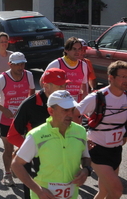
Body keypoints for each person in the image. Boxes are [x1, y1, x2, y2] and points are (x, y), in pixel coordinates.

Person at [11, 90, 91, 199]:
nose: (70, 114)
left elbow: (86, 156)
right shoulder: (37, 135)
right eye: (65, 110)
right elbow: (16, 164)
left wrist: (86, 169)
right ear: (51, 111)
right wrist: (38, 190)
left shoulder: (80, 131)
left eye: (72, 110)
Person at [7, 68, 70, 199]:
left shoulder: (67, 102)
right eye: (60, 86)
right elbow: (12, 135)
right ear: (46, 86)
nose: (64, 89)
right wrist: (33, 150)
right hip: (36, 162)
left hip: (61, 160)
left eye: (65, 85)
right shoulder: (29, 105)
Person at [77, 60, 127, 199]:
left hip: (116, 150)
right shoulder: (96, 97)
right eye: (123, 76)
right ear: (111, 78)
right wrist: (82, 140)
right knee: (116, 191)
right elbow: (73, 115)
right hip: (97, 149)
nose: (126, 80)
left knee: (104, 191)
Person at [0, 52, 35, 186]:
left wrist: (29, 110)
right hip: (5, 118)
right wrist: (4, 110)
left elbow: (32, 94)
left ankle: (15, 164)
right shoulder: (2, 78)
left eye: (22, 64)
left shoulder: (29, 75)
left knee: (25, 146)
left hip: (23, 118)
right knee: (8, 148)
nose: (21, 67)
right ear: (10, 65)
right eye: (17, 64)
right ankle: (7, 174)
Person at [42, 37, 88, 103]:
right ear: (66, 50)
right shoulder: (57, 63)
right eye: (74, 49)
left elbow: (84, 85)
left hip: (74, 103)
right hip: (59, 103)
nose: (77, 52)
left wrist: (84, 99)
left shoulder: (83, 65)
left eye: (79, 49)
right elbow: (42, 82)